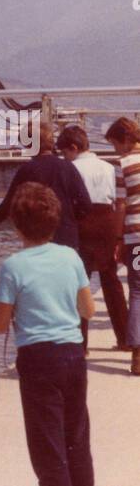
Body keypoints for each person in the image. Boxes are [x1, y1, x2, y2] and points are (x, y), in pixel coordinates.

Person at [0, 181, 95, 486]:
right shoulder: (70, 256)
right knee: (77, 442)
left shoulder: (13, 266)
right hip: (73, 356)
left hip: (38, 361)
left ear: (16, 225)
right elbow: (89, 310)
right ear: (55, 220)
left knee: (48, 453)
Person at [57, 124, 127, 353]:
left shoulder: (70, 168)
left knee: (80, 283)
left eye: (65, 152)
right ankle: (125, 337)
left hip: (83, 223)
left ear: (73, 148)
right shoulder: (109, 167)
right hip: (107, 221)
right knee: (111, 282)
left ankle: (81, 342)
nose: (64, 157)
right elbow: (118, 199)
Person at [0, 122, 92, 249]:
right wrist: (70, 219)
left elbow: (9, 203)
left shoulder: (27, 169)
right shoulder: (68, 167)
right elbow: (86, 204)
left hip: (39, 237)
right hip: (67, 237)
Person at [103, 117, 140, 377]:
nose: (116, 149)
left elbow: (121, 205)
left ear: (126, 139)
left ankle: (138, 355)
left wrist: (117, 239)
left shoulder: (123, 164)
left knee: (138, 291)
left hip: (136, 237)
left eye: (116, 143)